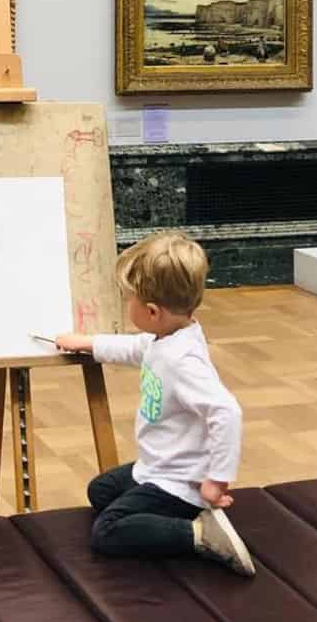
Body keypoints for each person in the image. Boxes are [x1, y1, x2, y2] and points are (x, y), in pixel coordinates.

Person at [52, 231, 253, 577]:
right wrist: (86, 343)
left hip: (181, 482)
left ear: (152, 311)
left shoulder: (182, 361)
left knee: (107, 530)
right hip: (157, 467)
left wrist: (216, 480)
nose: (126, 305)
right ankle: (174, 519)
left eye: (129, 300)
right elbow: (135, 348)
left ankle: (200, 534)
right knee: (100, 490)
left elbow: (227, 412)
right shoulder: (169, 336)